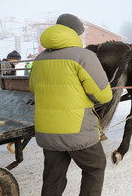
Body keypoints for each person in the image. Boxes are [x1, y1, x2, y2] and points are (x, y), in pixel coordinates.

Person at [29, 13, 113, 196]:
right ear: (75, 33)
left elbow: (34, 89)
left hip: (48, 132)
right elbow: (104, 95)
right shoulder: (83, 56)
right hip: (77, 131)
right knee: (95, 167)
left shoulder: (40, 59)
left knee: (53, 179)